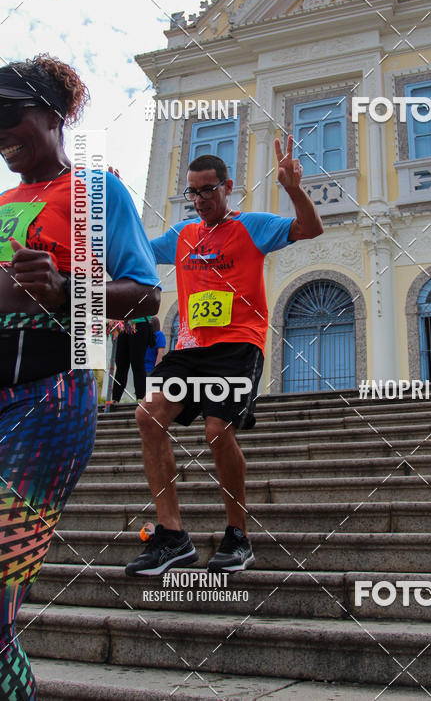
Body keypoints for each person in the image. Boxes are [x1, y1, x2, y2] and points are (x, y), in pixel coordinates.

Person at [0, 55, 160, 701]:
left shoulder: (97, 192)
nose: (1, 131)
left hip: (52, 398)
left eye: (11, 114)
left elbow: (146, 294)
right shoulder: (4, 202)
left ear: (54, 114)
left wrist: (68, 289)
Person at [125, 135, 323, 577]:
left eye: (207, 190)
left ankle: (238, 535)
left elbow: (309, 229)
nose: (199, 200)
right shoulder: (182, 235)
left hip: (238, 343)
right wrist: (109, 213)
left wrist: (293, 189)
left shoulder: (251, 226)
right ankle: (172, 535)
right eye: (192, 192)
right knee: (148, 414)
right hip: (190, 346)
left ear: (227, 186)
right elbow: (133, 248)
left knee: (218, 431)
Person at [109, 315, 154, 406]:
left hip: (139, 323)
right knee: (121, 364)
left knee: (137, 363)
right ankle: (115, 398)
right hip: (123, 323)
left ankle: (140, 397)